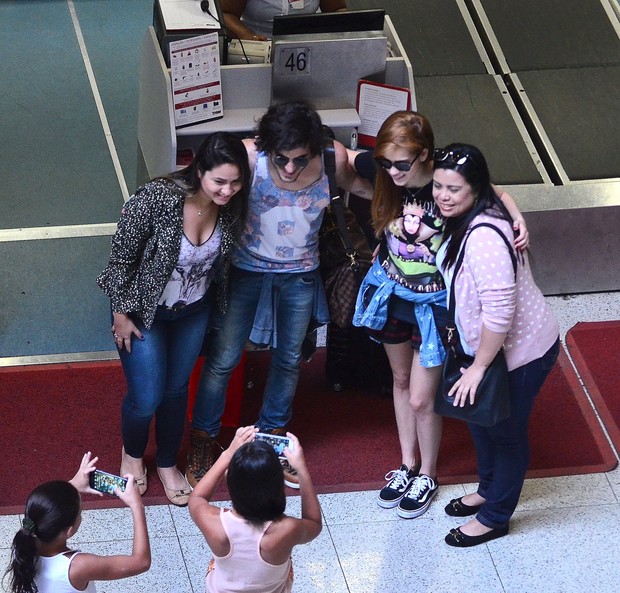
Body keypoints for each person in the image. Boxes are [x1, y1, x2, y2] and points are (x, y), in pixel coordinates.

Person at [186, 100, 373, 490]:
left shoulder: (330, 157)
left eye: (300, 160)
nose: (289, 168)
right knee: (223, 359)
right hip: (245, 268)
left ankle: (271, 438)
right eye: (281, 159)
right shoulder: (250, 158)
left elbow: (367, 180)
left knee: (289, 360)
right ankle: (203, 441)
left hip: (300, 273)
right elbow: (200, 182)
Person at [351, 111, 529, 519]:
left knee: (420, 396)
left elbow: (494, 193)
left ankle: (427, 473)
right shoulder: (384, 174)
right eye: (385, 163)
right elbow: (343, 156)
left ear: (425, 156)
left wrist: (517, 218)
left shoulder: (445, 182)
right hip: (392, 291)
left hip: (434, 304)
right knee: (398, 381)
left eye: (401, 164)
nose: (391, 172)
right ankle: (407, 464)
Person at [97, 132, 250, 506]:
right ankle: (132, 455)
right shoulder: (157, 198)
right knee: (147, 396)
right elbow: (120, 260)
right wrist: (120, 314)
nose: (227, 190)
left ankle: (166, 463)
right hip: (144, 312)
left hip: (192, 312)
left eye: (235, 181)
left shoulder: (232, 206)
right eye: (219, 181)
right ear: (199, 171)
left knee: (176, 389)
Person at [432, 143, 560, 546]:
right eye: (438, 186)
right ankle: (488, 489)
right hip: (487, 351)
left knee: (505, 433)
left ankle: (495, 516)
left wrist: (479, 367)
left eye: (453, 189)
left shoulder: (484, 237)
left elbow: (500, 315)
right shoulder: (481, 207)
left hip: (518, 353)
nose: (442, 196)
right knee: (482, 422)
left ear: (475, 190)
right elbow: (498, 189)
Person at [189, 426, 321, 593]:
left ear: (228, 478)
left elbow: (197, 498)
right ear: (278, 485)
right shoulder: (287, 529)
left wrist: (228, 453)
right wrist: (301, 469)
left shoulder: (213, 522)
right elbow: (314, 523)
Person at [3, 452, 150, 593]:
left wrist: (73, 485)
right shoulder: (78, 566)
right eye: (80, 513)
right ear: (69, 530)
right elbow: (141, 562)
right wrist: (137, 505)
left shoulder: (24, 543)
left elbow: (47, 511)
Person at [222, 0, 347, 41]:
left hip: (306, 49)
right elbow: (226, 14)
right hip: (257, 51)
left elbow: (337, 10)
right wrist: (250, 37)